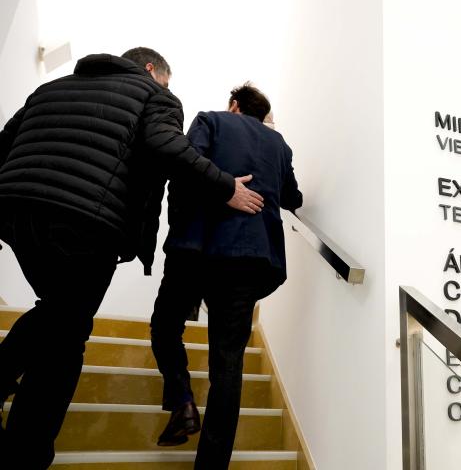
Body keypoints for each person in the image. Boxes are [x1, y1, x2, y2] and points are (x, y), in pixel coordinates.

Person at [0, 48, 264, 469]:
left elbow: (3, 145)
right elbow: (167, 146)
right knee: (66, 338)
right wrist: (226, 187)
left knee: (57, 314)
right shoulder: (154, 95)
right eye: (166, 81)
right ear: (149, 70)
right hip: (86, 220)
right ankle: (23, 455)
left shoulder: (49, 88)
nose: (167, 89)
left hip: (16, 213)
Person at [149, 83, 302, 469]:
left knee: (166, 327)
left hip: (196, 249)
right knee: (228, 363)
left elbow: (186, 166)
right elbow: (292, 198)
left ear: (233, 106)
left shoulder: (211, 121)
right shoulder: (279, 145)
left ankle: (182, 399)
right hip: (249, 258)